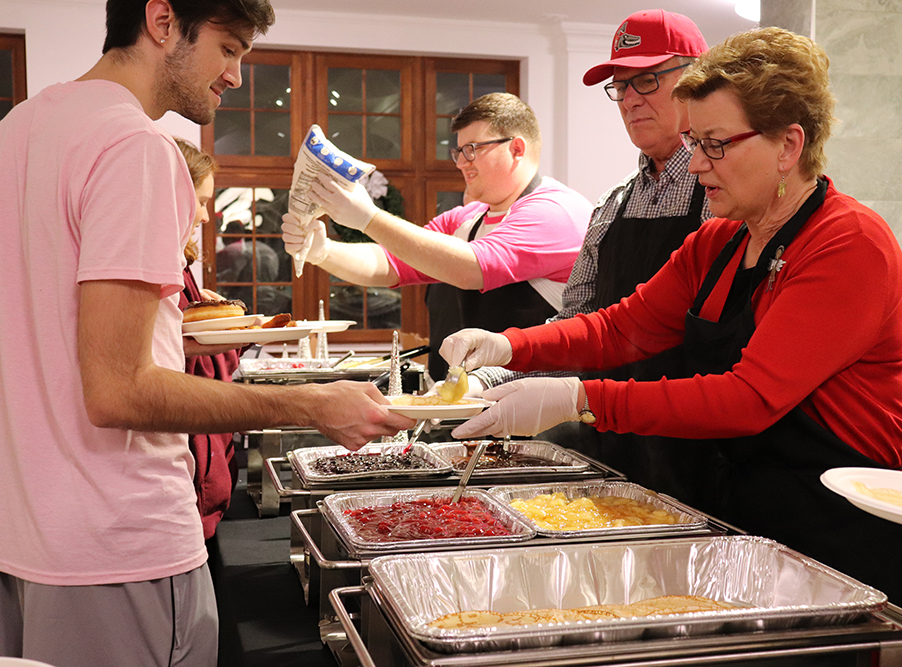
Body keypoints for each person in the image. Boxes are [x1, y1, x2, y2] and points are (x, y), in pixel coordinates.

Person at [441, 27, 902, 620]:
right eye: (696, 142)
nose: (696, 161)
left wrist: (578, 398)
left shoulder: (848, 242)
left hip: (842, 535)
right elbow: (620, 328)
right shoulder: (721, 239)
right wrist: (508, 345)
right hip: (750, 517)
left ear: (788, 145)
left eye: (716, 144)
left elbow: (748, 398)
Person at [0, 2, 413, 665]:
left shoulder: (18, 130)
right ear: (163, 21)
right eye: (230, 48)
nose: (236, 77)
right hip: (119, 546)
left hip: (26, 539)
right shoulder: (134, 147)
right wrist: (309, 403)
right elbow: (118, 392)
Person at [467, 10, 713, 490]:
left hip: (700, 450)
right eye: (621, 87)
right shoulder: (611, 206)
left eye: (646, 80)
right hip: (612, 449)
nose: (629, 101)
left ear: (696, 81)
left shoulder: (722, 197)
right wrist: (492, 374)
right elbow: (579, 323)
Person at [281, 92, 592, 379]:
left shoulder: (556, 209)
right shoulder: (467, 218)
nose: (462, 164)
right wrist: (323, 251)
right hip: (466, 403)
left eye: (473, 150)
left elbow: (473, 268)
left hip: (535, 407)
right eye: (459, 151)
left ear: (517, 148)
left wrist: (368, 217)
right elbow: (391, 263)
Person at [174, 137, 242, 541]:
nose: (204, 215)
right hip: (189, 455)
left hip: (208, 454)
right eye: (199, 201)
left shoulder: (181, 262)